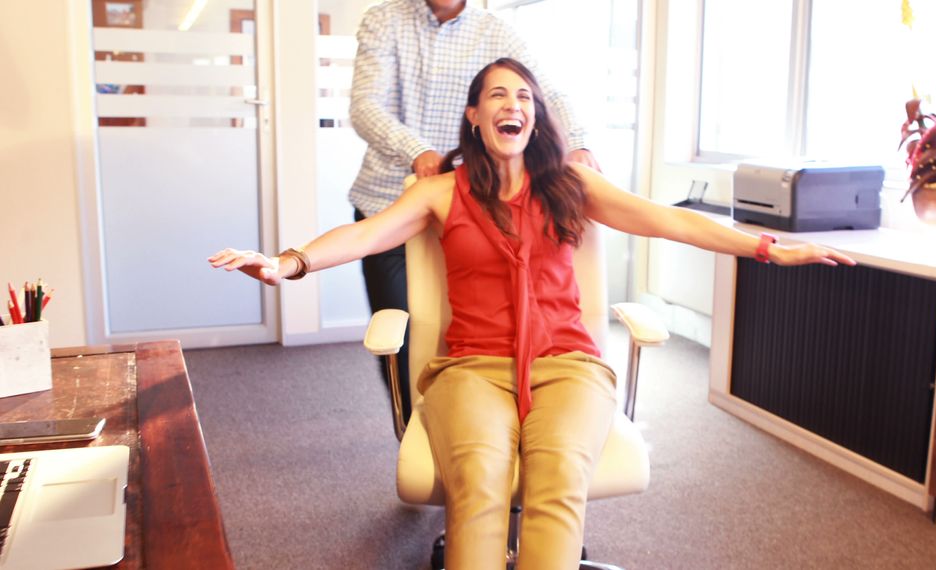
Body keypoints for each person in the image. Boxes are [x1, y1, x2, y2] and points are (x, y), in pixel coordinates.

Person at [210, 58, 855, 570]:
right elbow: (365, 235)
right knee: (479, 483)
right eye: (496, 95)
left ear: (537, 117)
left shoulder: (571, 185)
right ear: (474, 115)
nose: (511, 105)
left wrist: (768, 246)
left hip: (569, 366)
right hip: (471, 369)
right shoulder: (440, 192)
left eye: (523, 96)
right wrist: (286, 262)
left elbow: (668, 220)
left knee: (554, 484)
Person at [348, 0, 599, 424]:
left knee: (475, 332)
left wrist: (578, 141)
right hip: (390, 200)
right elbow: (365, 106)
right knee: (403, 338)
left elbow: (546, 92)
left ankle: (493, 427)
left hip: (469, 203)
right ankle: (422, 435)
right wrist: (418, 151)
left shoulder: (493, 29)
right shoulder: (384, 19)